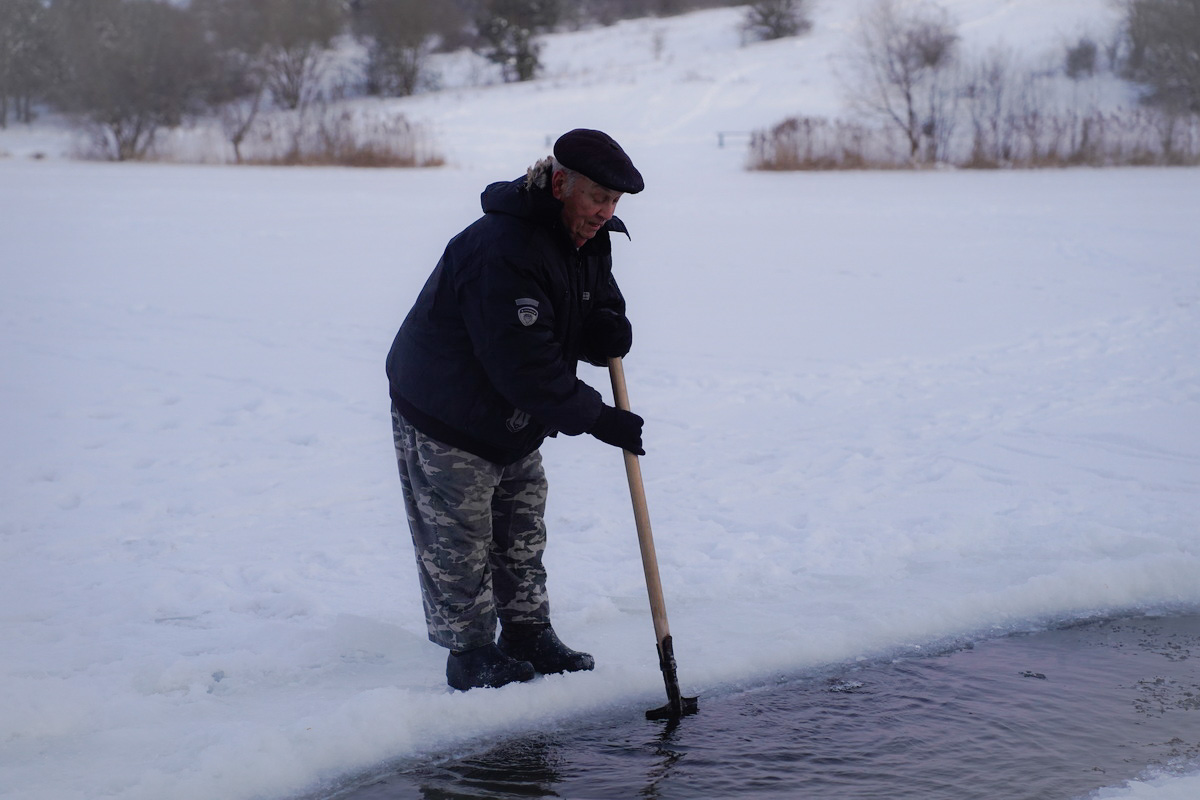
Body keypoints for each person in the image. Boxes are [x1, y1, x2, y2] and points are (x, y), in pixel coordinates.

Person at [386, 129, 647, 691]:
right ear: (560, 184)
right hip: (448, 407)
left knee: (520, 523)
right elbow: (522, 366)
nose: (606, 212)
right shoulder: (502, 248)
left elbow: (593, 293)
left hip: (514, 413)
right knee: (460, 535)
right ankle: (470, 651)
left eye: (614, 202)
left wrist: (606, 323)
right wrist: (600, 418)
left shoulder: (589, 236)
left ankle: (527, 632)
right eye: (597, 197)